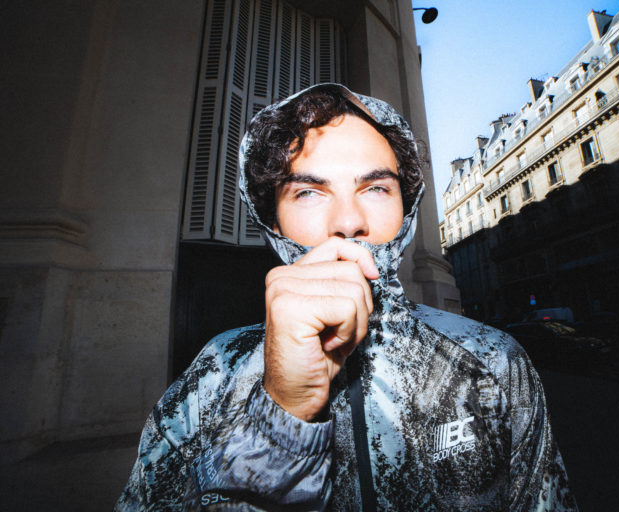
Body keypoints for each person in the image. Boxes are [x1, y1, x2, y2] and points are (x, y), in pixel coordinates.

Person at [116, 84, 577, 511]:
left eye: (375, 188)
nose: (348, 221)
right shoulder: (214, 375)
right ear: (272, 222)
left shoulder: (492, 361)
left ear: (406, 208)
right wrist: (282, 417)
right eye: (309, 192)